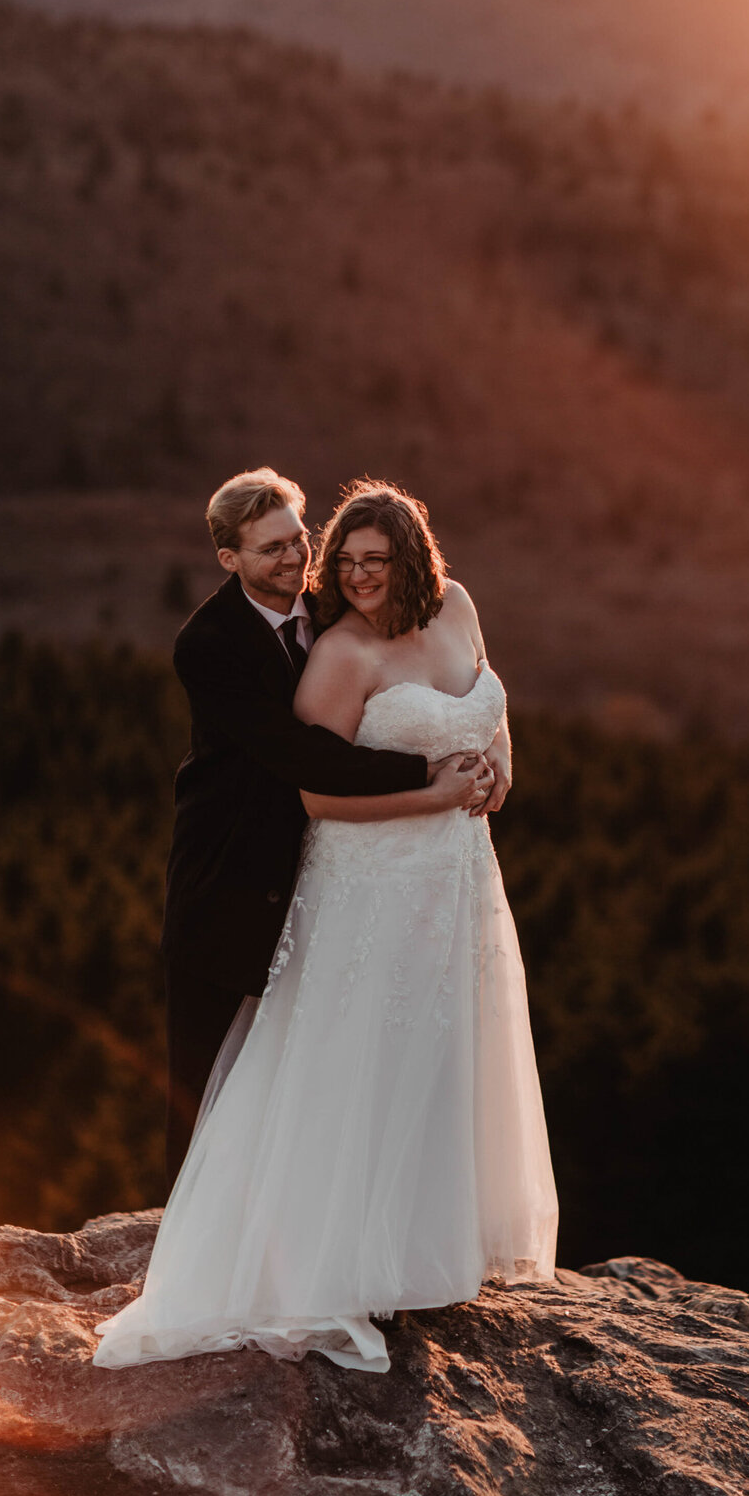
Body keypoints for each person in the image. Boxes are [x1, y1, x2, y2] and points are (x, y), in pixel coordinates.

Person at [94, 480, 557, 1373]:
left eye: (311, 545)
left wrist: (498, 766)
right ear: (229, 556)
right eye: (336, 558)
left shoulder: (442, 606)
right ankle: (227, 1255)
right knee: (277, 1070)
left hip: (454, 878)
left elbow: (486, 701)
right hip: (258, 875)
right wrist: (436, 787)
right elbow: (309, 770)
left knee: (434, 1053)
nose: (333, 569)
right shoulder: (256, 644)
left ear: (415, 558)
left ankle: (414, 1252)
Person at [161, 467, 492, 1183]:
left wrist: (488, 753)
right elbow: (299, 754)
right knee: (207, 1079)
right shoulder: (209, 643)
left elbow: (458, 673)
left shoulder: (335, 603)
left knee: (315, 1068)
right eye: (270, 549)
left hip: (332, 870)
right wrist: (429, 775)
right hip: (232, 874)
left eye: (297, 540)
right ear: (229, 558)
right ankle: (181, 1231)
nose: (294, 558)